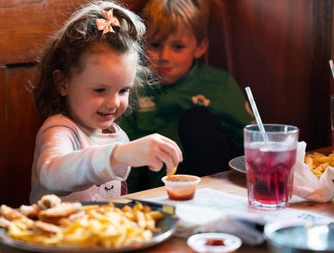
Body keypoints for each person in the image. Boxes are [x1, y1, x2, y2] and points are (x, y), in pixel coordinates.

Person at [29, 1, 182, 203]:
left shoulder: (117, 137)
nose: (113, 103)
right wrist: (119, 155)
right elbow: (52, 174)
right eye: (100, 90)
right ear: (63, 83)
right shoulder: (60, 130)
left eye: (123, 90)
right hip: (53, 232)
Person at [119, 0, 254, 192]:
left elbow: (251, 144)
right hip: (158, 190)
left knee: (197, 120)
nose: (165, 55)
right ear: (142, 44)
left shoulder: (218, 84)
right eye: (155, 45)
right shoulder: (133, 89)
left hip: (213, 186)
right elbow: (126, 156)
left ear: (200, 47)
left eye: (178, 47)